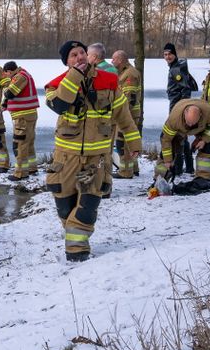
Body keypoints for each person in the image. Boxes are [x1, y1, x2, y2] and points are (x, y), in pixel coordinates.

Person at [45, 40, 141, 262]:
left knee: (88, 204)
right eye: (73, 55)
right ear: (66, 62)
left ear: (89, 55)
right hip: (65, 157)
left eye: (81, 53)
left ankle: (77, 249)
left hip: (97, 158)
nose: (79, 57)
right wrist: (75, 77)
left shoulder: (108, 82)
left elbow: (123, 116)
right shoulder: (56, 85)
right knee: (64, 204)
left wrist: (134, 143)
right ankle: (73, 235)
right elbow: (59, 104)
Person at [154, 99, 210, 188]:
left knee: (208, 144)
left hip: (201, 128)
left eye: (193, 123)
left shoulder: (209, 113)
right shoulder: (174, 119)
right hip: (179, 128)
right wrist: (167, 160)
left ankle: (203, 177)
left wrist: (203, 140)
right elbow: (166, 140)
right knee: (170, 148)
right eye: (189, 122)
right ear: (185, 113)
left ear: (200, 115)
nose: (190, 125)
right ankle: (160, 178)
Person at [87, 42, 118, 195]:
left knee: (102, 152)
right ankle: (105, 185)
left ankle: (104, 186)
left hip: (104, 120)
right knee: (106, 151)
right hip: (110, 118)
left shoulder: (99, 71)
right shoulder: (112, 68)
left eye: (87, 55)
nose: (85, 58)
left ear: (94, 56)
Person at [1, 61, 40, 181]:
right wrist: (5, 104)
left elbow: (10, 93)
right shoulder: (24, 74)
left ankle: (20, 173)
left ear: (10, 71)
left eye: (6, 74)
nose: (7, 76)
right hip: (28, 115)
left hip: (23, 117)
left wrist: (5, 88)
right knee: (28, 143)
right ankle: (32, 168)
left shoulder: (20, 76)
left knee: (20, 144)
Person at [163, 42, 197, 175]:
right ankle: (189, 167)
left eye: (170, 54)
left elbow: (185, 89)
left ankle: (178, 169)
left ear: (174, 54)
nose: (167, 57)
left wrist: (182, 108)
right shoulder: (175, 67)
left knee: (177, 136)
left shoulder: (176, 69)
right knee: (182, 135)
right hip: (176, 103)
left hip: (177, 105)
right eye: (165, 54)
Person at [111, 50, 142, 179]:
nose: (112, 62)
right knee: (128, 143)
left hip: (128, 114)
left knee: (122, 143)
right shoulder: (124, 73)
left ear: (121, 60)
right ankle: (134, 168)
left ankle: (125, 172)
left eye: (114, 59)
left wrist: (121, 114)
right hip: (128, 113)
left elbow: (129, 98)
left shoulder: (129, 75)